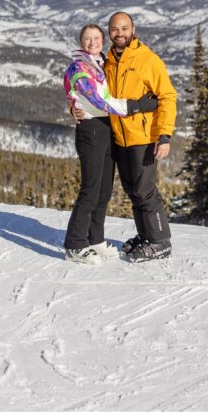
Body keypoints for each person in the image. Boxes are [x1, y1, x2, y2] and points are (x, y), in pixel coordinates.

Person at [62, 23, 158, 265]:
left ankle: (95, 238)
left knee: (104, 190)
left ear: (102, 41)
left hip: (107, 130)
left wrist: (72, 105)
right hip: (91, 130)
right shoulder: (80, 66)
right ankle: (75, 243)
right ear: (80, 42)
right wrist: (137, 105)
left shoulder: (102, 63)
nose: (92, 42)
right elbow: (100, 100)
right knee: (91, 188)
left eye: (96, 38)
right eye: (87, 38)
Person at [101, 11, 177, 262]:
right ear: (109, 32)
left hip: (143, 137)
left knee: (145, 190)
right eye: (114, 29)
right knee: (133, 190)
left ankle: (160, 241)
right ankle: (146, 235)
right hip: (120, 138)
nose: (119, 33)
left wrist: (164, 135)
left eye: (124, 28)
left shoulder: (148, 59)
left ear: (133, 29)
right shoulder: (109, 61)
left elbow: (167, 96)